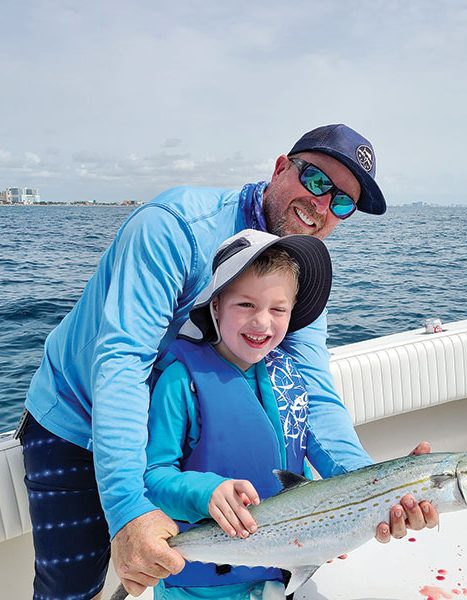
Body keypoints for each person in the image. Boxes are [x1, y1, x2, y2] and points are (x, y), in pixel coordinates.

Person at [19, 124, 439, 600]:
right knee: (70, 590)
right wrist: (128, 508)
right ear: (281, 168)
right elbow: (122, 361)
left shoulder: (300, 270)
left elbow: (311, 389)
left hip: (177, 433)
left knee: (179, 563)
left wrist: (373, 487)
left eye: (342, 202)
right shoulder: (173, 226)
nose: (323, 206)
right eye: (318, 181)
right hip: (77, 420)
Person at [146, 228, 337, 599]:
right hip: (200, 584)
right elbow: (154, 477)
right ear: (215, 306)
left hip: (283, 572)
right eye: (246, 305)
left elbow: (315, 454)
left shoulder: (288, 375)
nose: (263, 322)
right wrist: (205, 491)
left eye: (278, 309)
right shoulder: (180, 381)